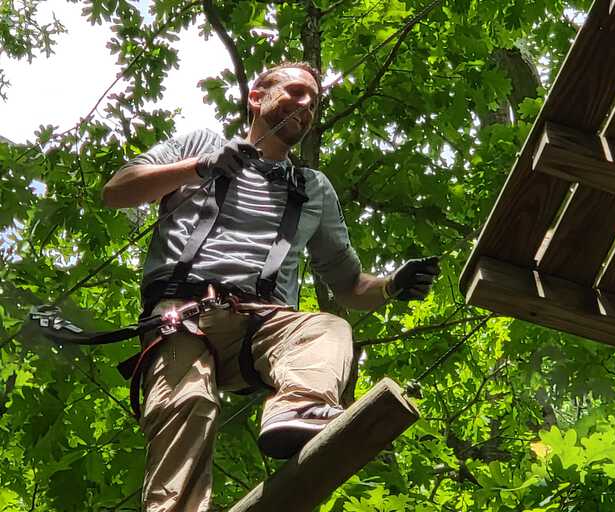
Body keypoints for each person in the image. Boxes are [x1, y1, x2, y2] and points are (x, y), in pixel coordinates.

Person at [102, 61, 439, 512]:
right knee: (189, 404)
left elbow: (350, 286)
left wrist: (393, 284)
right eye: (296, 92)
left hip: (260, 324)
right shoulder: (203, 143)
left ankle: (298, 409)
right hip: (182, 314)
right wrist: (200, 168)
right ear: (256, 97)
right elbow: (118, 190)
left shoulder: (311, 188)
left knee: (327, 329)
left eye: (314, 102)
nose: (306, 106)